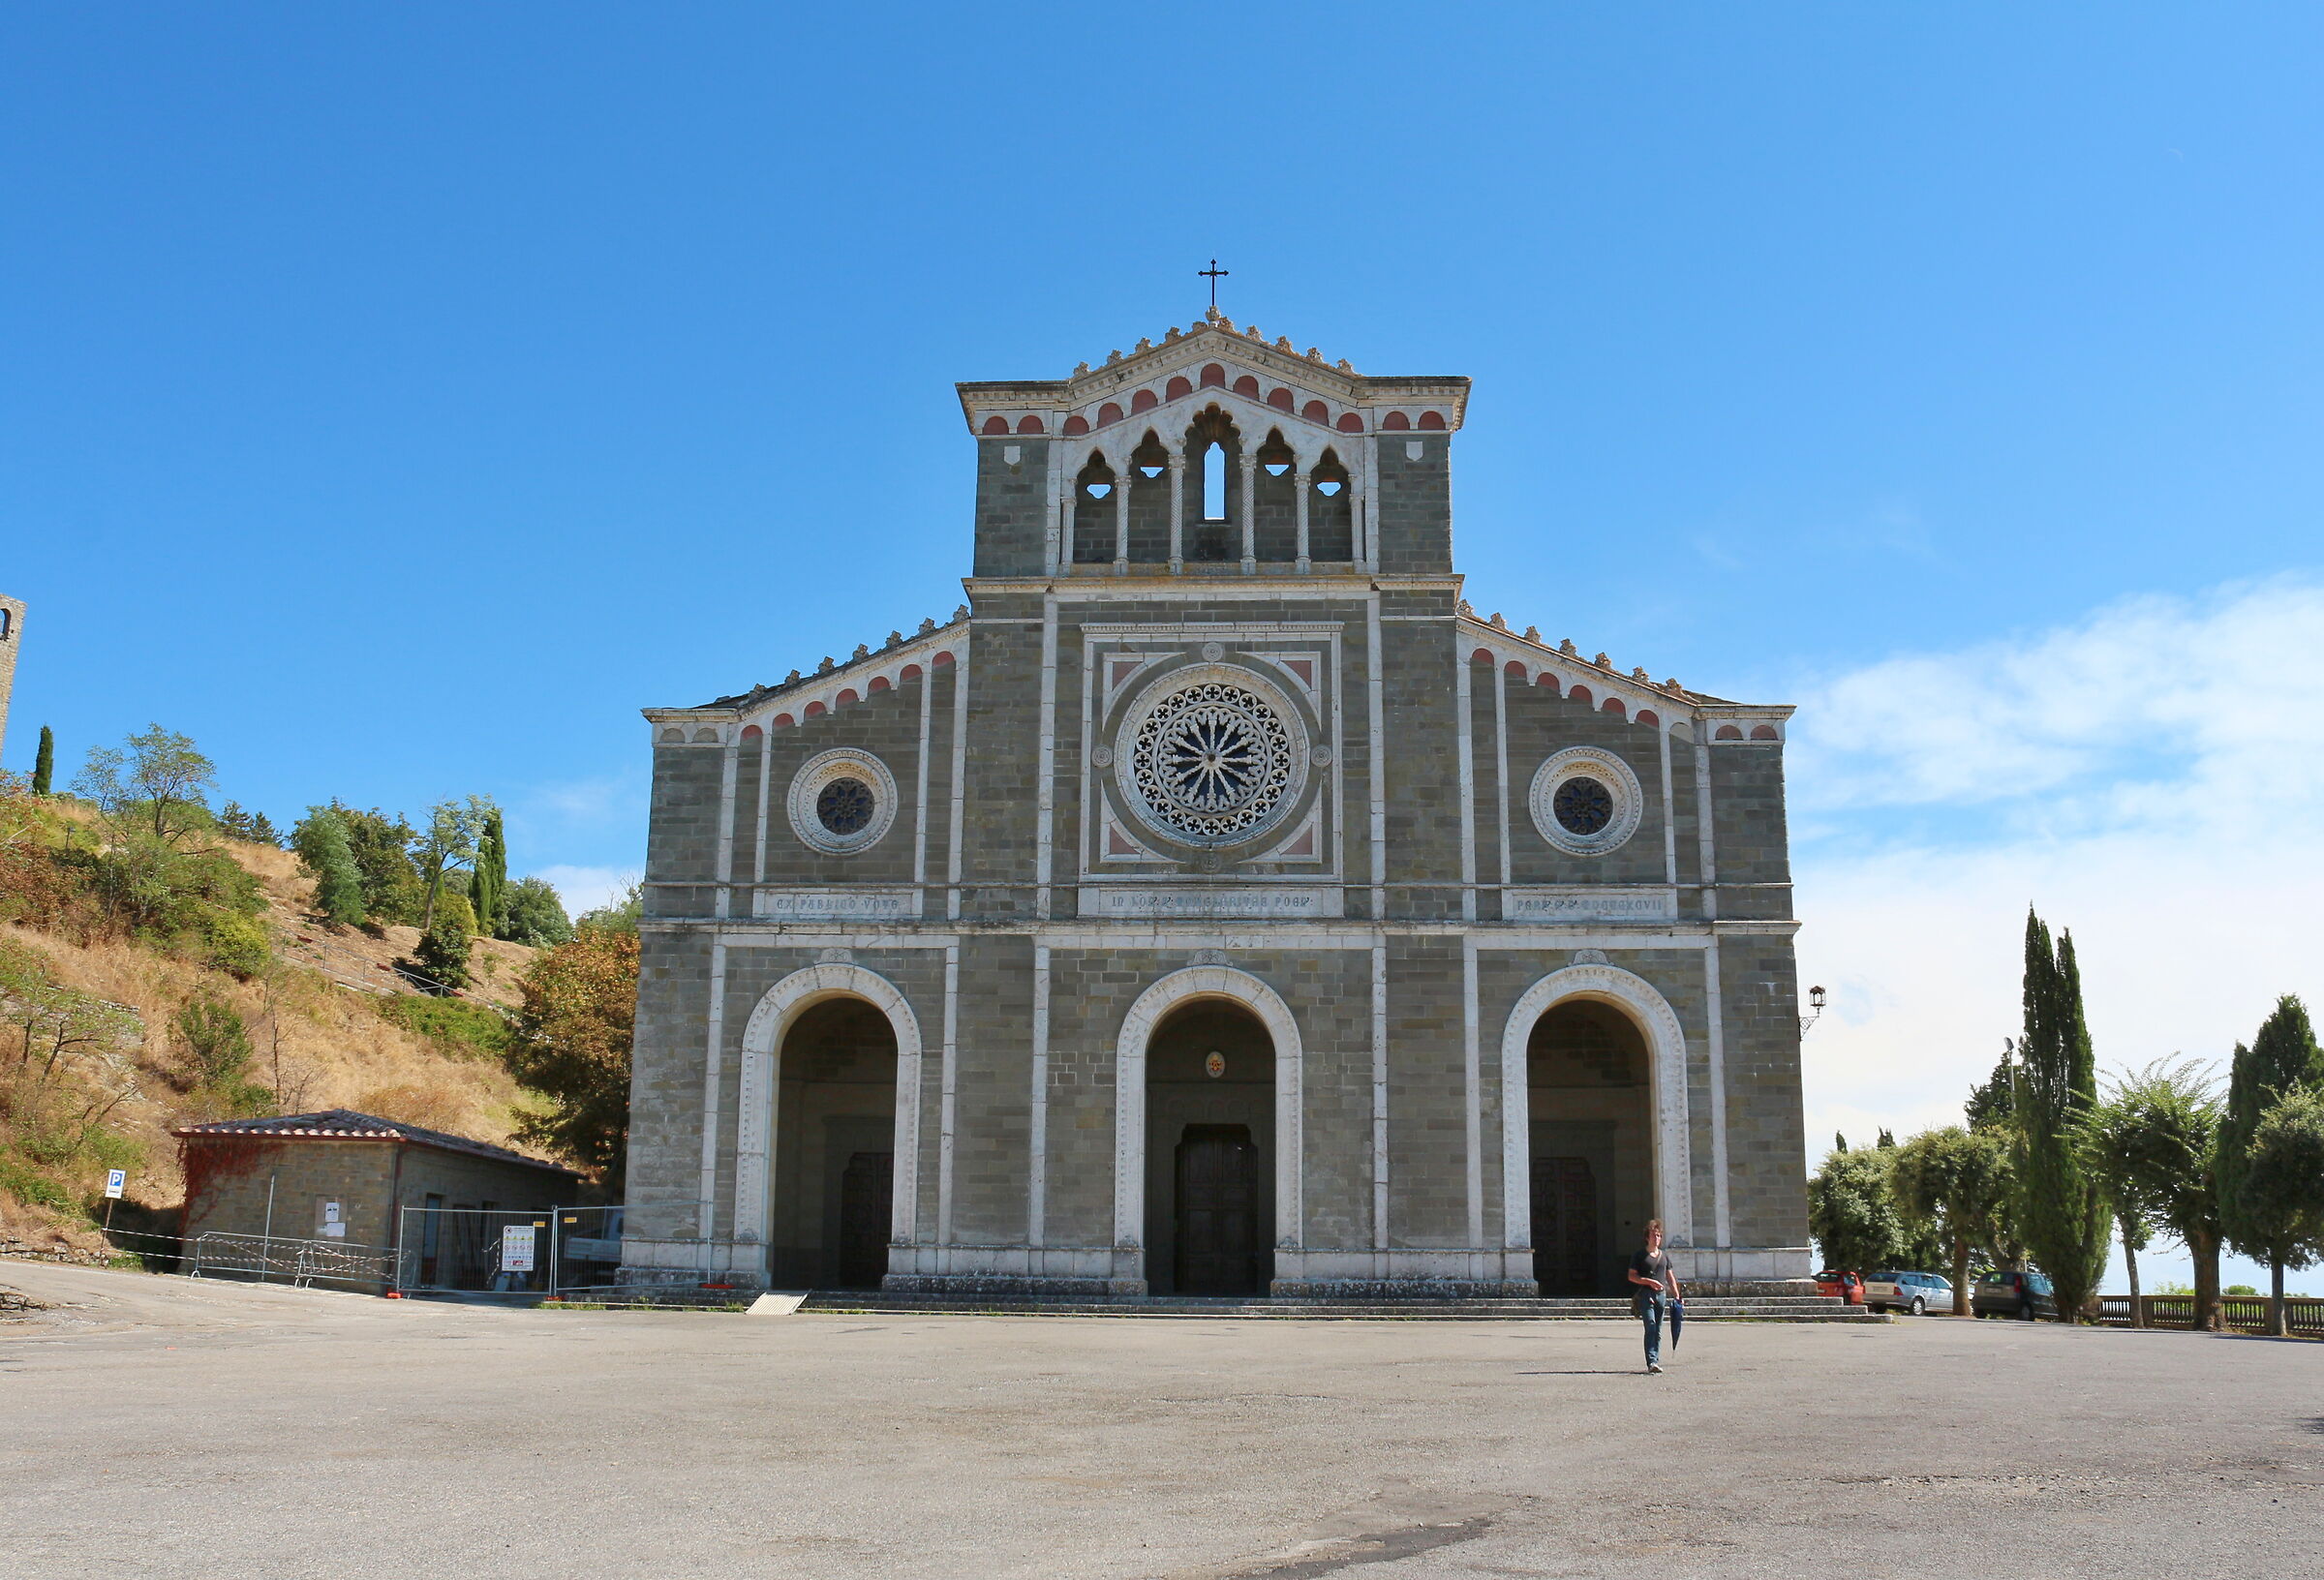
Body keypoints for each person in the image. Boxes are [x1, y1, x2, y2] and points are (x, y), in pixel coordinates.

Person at [1626, 1219, 1682, 1375]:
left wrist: (1677, 1296)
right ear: (1647, 1237)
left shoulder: (1664, 1257)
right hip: (1646, 1295)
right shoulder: (1639, 1255)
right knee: (1650, 1326)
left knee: (1657, 1330)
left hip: (1661, 1296)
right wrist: (1648, 1281)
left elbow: (1670, 1277)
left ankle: (1655, 1360)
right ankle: (1651, 1361)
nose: (1656, 1238)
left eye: (1659, 1236)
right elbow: (1631, 1276)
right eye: (1653, 1235)